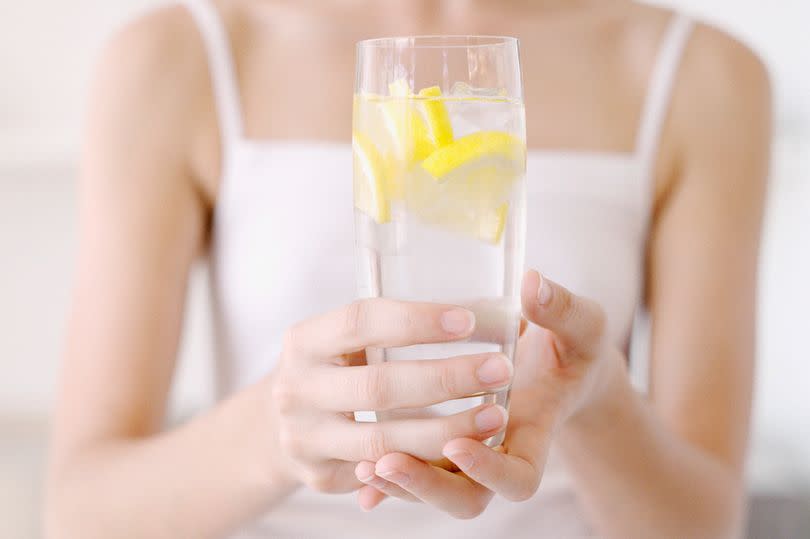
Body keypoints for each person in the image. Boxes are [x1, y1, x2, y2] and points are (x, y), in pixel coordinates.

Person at [45, 0, 770, 537]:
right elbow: (79, 513)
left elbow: (705, 521)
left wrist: (600, 397)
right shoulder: (175, 55)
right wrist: (275, 433)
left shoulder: (705, 73)